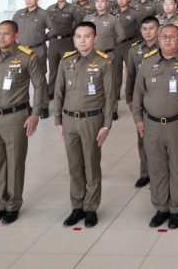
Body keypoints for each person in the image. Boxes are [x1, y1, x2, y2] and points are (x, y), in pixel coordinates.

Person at [132, 24, 178, 229]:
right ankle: (161, 208)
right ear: (158, 39)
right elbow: (138, 93)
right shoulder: (148, 62)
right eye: (164, 36)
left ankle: (177, 209)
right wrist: (138, 118)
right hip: (152, 125)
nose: (167, 40)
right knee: (156, 167)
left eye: (172, 37)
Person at [0, 20, 45, 225]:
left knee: (14, 163)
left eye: (6, 33)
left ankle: (13, 205)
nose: (1, 37)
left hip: (16, 117)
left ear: (16, 36)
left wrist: (35, 114)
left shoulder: (27, 57)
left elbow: (40, 86)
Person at [53, 22, 115, 228]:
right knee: (74, 166)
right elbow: (59, 92)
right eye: (78, 36)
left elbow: (109, 97)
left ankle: (90, 208)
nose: (82, 40)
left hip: (92, 120)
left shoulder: (104, 62)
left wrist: (106, 125)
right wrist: (58, 120)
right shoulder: (66, 61)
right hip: (69, 120)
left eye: (87, 36)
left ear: (95, 39)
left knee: (91, 164)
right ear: (74, 40)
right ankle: (77, 206)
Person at [125, 16, 160, 188]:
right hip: (142, 100)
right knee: (142, 137)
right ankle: (145, 173)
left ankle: (161, 172)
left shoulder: (166, 47)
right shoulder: (134, 50)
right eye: (144, 29)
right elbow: (130, 75)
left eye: (151, 28)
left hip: (160, 99)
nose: (148, 32)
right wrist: (129, 98)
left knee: (161, 139)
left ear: (158, 30)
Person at [46, 0, 82, 115]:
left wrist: (73, 36)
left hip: (67, 42)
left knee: (68, 69)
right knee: (53, 69)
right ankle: (52, 92)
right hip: (54, 42)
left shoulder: (73, 8)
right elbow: (46, 25)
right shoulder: (50, 9)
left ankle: (68, 92)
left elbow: (79, 23)